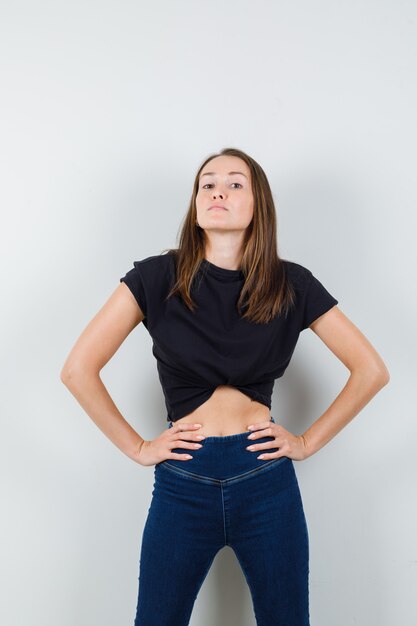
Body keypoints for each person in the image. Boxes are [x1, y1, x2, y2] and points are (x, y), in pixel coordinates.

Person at [60, 147, 390, 626]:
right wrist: (137, 447)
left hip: (265, 480)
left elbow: (371, 370)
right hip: (183, 480)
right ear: (195, 204)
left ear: (259, 205)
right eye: (207, 182)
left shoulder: (291, 284)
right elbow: (77, 369)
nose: (218, 190)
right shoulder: (155, 278)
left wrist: (305, 442)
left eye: (236, 183)